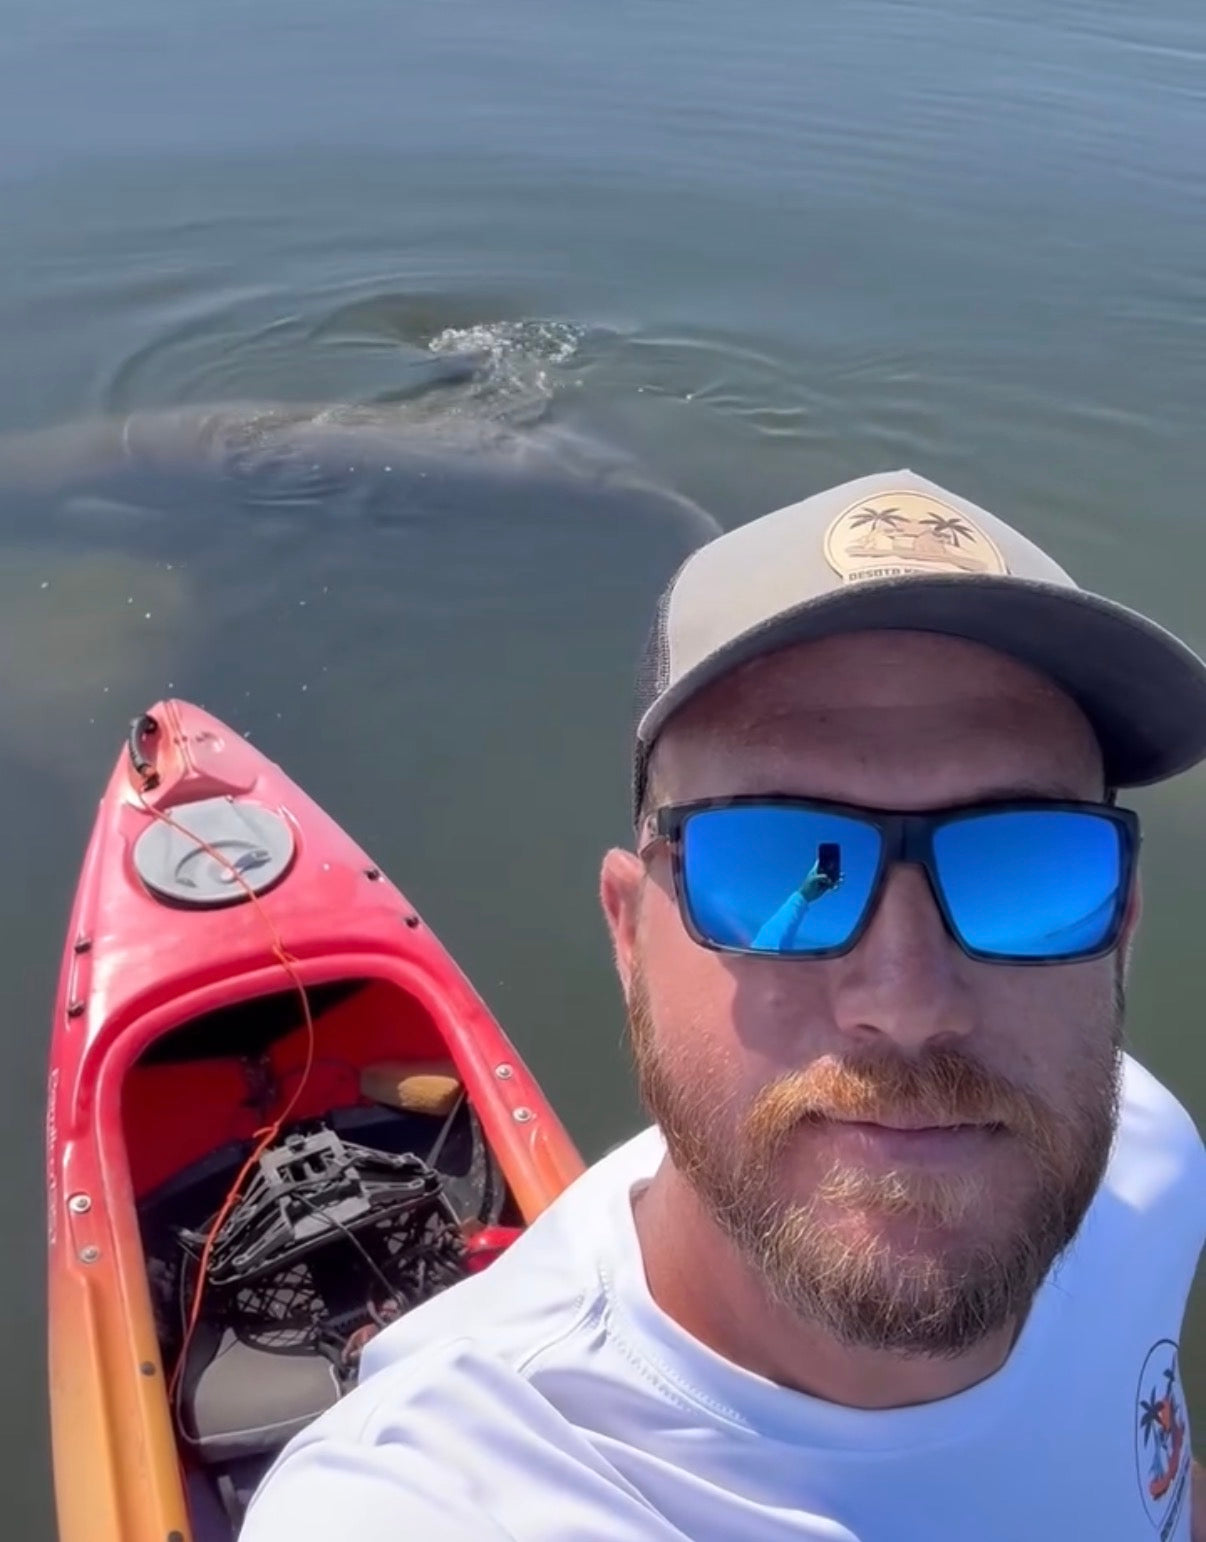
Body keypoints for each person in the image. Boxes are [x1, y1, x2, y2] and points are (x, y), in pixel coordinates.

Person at [241, 469, 1206, 1541]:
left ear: (1120, 928)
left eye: (1027, 867)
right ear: (628, 937)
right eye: (770, 857)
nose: (908, 1002)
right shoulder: (451, 1497)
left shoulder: (1151, 1168)